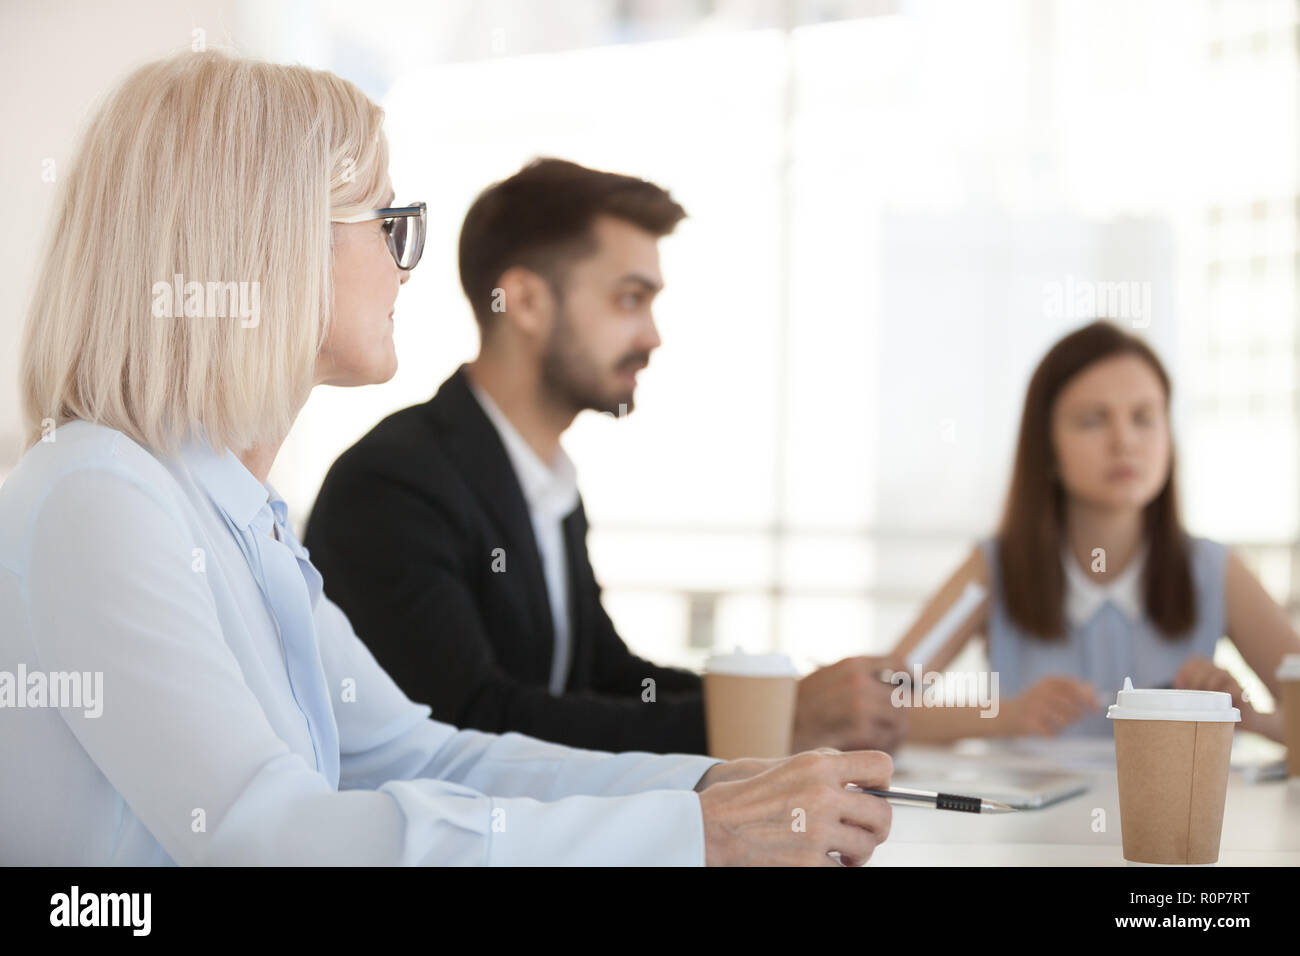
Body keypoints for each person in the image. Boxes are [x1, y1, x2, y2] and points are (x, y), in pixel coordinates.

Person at [0, 51, 892, 866]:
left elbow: (425, 754)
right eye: (386, 222)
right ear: (268, 243)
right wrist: (694, 834)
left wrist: (704, 788)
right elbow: (259, 834)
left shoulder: (236, 515)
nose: (405, 265)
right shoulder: (100, 491)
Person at [304, 157, 904, 757]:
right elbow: (470, 720)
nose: (652, 336)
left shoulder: (544, 480)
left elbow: (604, 675)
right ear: (527, 303)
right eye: (629, 300)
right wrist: (769, 727)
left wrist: (779, 706)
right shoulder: (394, 484)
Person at [889, 320, 1300, 741]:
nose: (1124, 441)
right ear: (1046, 446)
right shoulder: (992, 569)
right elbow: (881, 702)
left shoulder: (1215, 570)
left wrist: (1243, 718)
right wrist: (1006, 717)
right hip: (1034, 807)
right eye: (1092, 421)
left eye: (1144, 417)